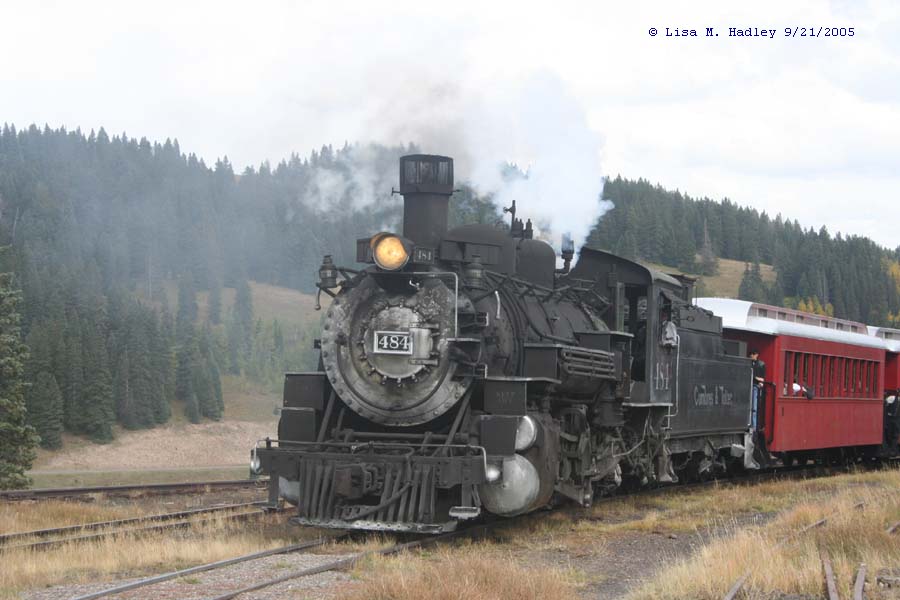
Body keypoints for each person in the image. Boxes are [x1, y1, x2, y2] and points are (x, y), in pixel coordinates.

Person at [749, 349, 766, 429]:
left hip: (756, 386)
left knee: (754, 409)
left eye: (752, 354)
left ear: (756, 355)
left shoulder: (761, 364)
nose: (751, 355)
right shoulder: (749, 363)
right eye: (750, 354)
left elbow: (762, 379)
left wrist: (756, 378)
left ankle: (754, 427)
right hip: (750, 386)